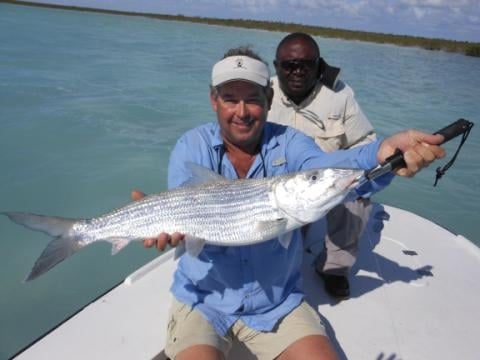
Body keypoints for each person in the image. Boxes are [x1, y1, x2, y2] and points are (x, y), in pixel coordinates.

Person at [133, 47, 444, 360]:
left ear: (269, 99)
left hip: (277, 303)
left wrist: (379, 154)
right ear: (214, 100)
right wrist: (169, 229)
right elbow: (183, 203)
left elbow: (328, 168)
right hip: (204, 298)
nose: (241, 111)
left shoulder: (292, 143)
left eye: (253, 99)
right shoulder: (191, 146)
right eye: (230, 98)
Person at [268, 32, 377, 298]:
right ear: (276, 66)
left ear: (319, 65)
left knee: (358, 198)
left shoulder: (340, 96)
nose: (297, 71)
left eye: (306, 64)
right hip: (276, 185)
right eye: (289, 65)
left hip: (324, 182)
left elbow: (365, 142)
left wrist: (349, 177)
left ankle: (334, 268)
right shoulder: (262, 93)